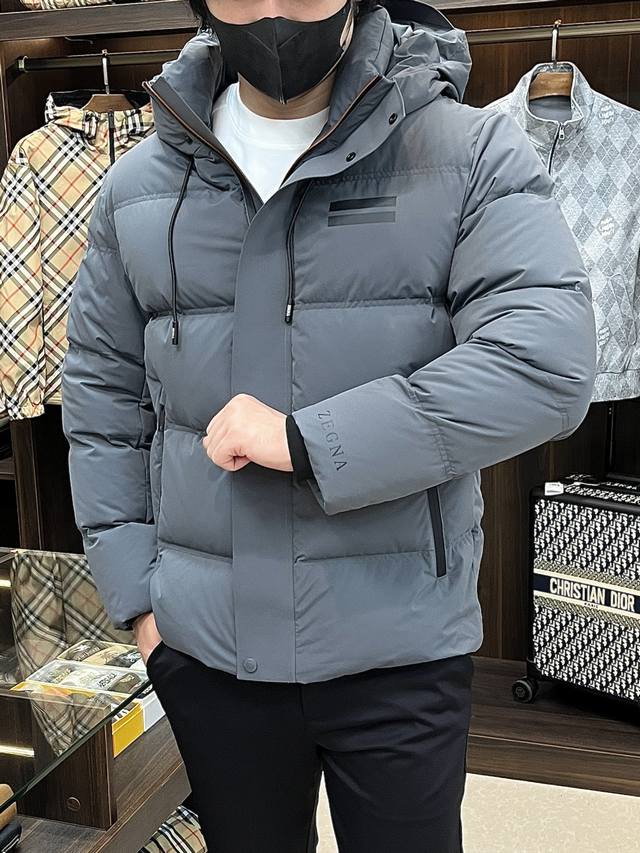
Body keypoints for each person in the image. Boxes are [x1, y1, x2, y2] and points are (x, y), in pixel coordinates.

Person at [60, 1, 597, 850]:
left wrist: (311, 440)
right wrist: (139, 601)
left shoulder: (464, 151)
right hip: (208, 649)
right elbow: (102, 399)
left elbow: (544, 363)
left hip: (399, 646)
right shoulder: (139, 188)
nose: (274, 10)